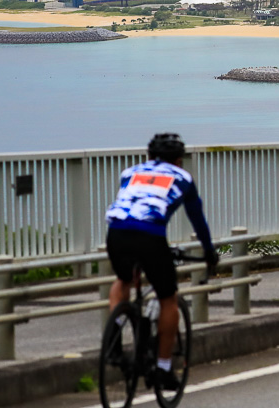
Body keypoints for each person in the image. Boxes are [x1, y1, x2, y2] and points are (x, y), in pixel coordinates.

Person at [105, 132, 218, 390]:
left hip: (116, 232)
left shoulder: (129, 172)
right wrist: (209, 252)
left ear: (148, 156)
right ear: (179, 160)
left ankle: (113, 338)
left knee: (124, 280)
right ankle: (163, 369)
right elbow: (197, 219)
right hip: (150, 236)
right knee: (168, 299)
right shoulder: (183, 178)